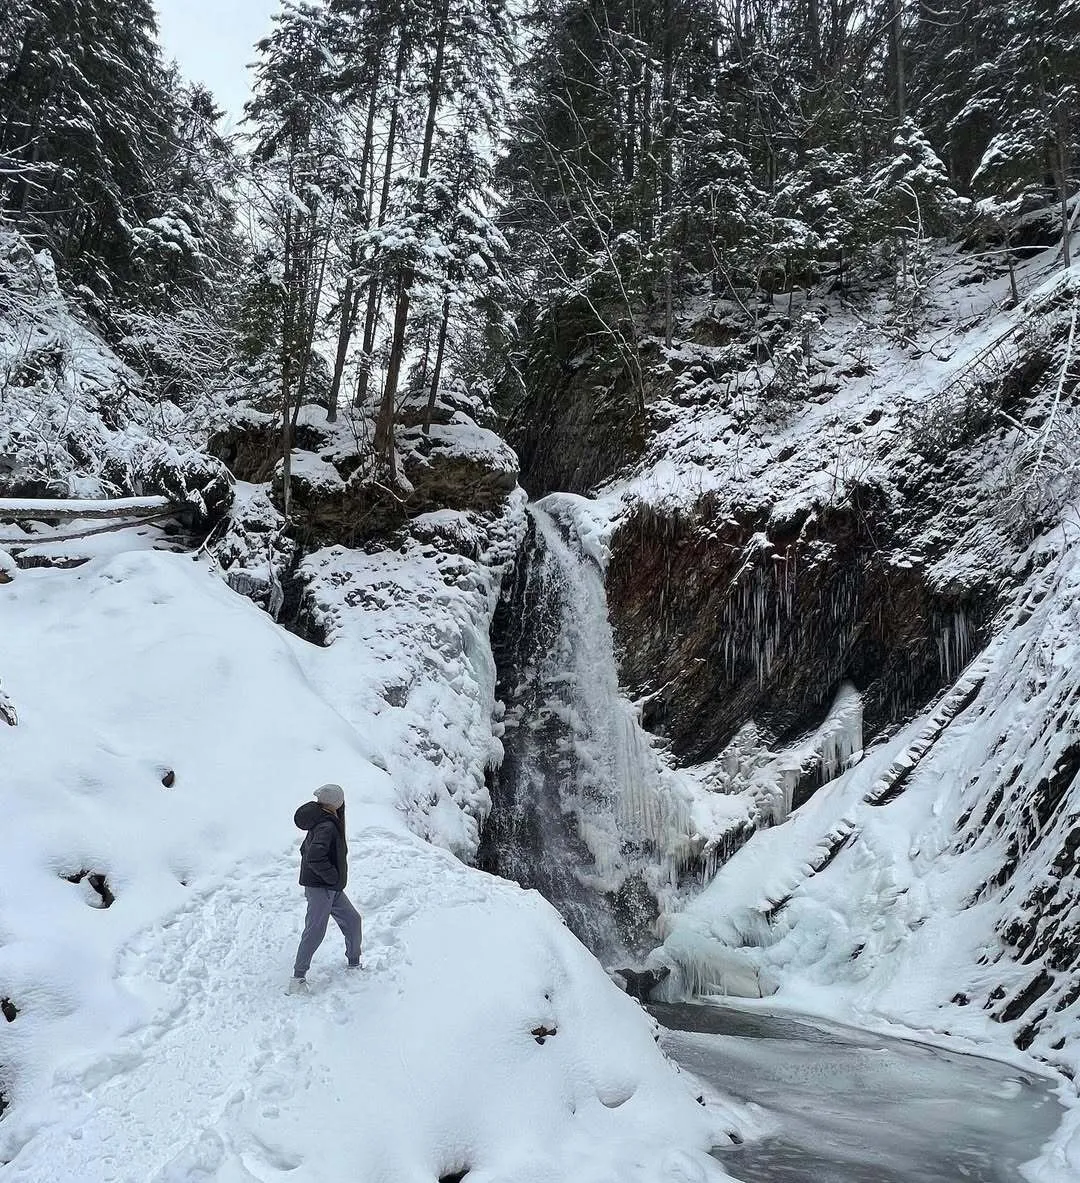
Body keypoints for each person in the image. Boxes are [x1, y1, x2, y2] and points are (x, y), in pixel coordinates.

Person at [288, 783, 363, 994]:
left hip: (330, 887)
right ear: (335, 803)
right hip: (322, 887)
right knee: (315, 931)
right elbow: (313, 855)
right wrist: (331, 876)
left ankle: (354, 963)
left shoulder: (325, 820)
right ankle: (297, 979)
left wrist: (333, 881)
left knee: (352, 920)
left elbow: (306, 850)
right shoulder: (326, 826)